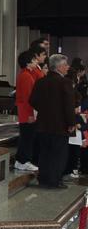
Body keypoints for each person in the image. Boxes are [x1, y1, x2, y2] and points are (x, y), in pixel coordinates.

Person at [30, 54, 76, 189]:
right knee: (58, 154)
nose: (68, 67)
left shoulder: (41, 82)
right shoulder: (65, 82)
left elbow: (32, 100)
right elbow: (69, 105)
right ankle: (54, 180)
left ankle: (43, 179)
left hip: (43, 124)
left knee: (44, 153)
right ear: (59, 67)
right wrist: (71, 123)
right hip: (60, 125)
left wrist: (45, 111)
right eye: (65, 65)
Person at [15, 48, 44, 171]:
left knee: (27, 137)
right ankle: (23, 161)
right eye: (34, 60)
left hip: (26, 111)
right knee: (27, 137)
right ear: (28, 62)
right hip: (27, 112)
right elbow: (28, 97)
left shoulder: (26, 74)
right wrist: (30, 114)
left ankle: (22, 160)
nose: (36, 62)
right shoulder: (26, 76)